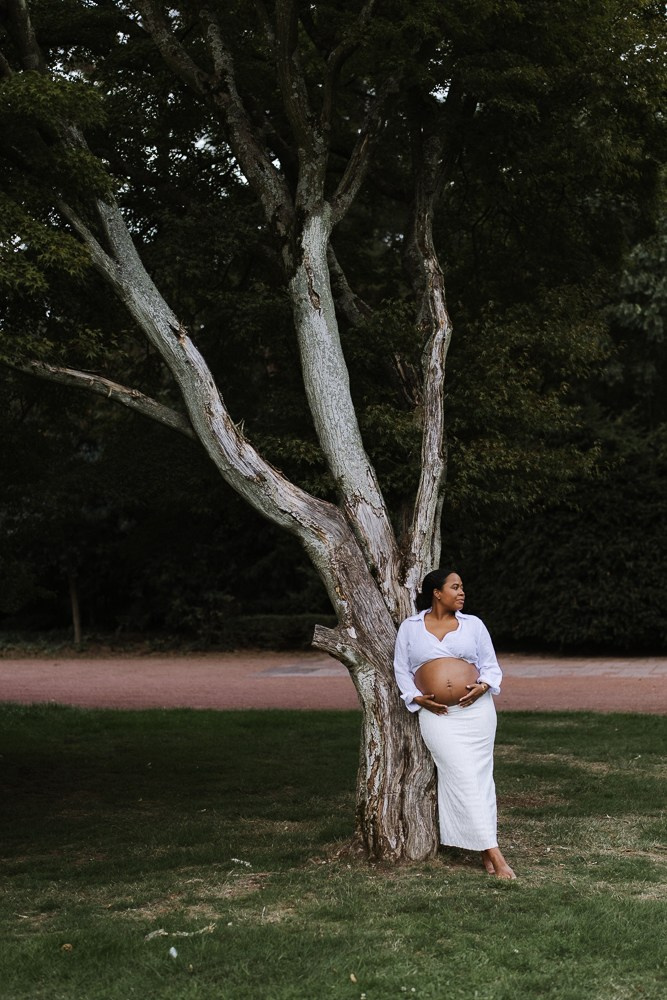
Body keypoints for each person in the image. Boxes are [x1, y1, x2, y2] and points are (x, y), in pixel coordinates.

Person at [393, 567, 516, 879]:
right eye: (455, 587)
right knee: (461, 776)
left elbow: (490, 665)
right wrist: (416, 697)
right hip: (438, 716)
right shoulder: (411, 627)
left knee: (480, 779)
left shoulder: (473, 625)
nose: (462, 593)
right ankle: (495, 854)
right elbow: (401, 669)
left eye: (462, 587)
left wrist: (484, 686)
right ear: (437, 593)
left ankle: (487, 848)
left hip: (477, 713)